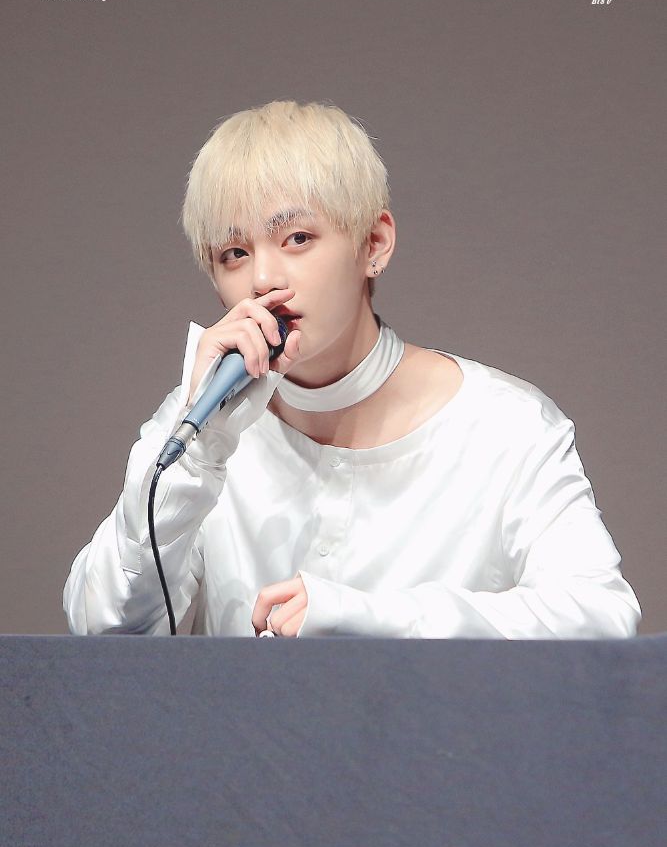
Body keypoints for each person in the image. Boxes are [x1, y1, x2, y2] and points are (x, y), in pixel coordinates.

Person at [63, 100, 641, 638]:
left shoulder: (506, 425)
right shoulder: (199, 420)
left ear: (375, 244)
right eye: (234, 253)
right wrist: (200, 446)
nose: (263, 279)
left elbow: (603, 617)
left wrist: (370, 619)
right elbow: (101, 631)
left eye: (297, 238)